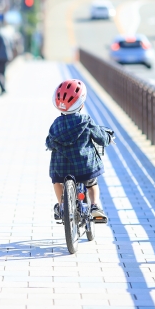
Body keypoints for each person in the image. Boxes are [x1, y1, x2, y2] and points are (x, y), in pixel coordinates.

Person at [45, 79, 113, 221]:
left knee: (56, 182)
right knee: (92, 184)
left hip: (61, 170)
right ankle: (95, 206)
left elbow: (49, 143)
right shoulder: (86, 121)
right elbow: (101, 138)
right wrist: (107, 138)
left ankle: (61, 206)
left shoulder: (55, 124)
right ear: (81, 104)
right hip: (85, 169)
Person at [0, 24, 12, 94]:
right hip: (6, 56)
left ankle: (3, 88)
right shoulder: (5, 34)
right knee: (2, 73)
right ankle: (3, 88)